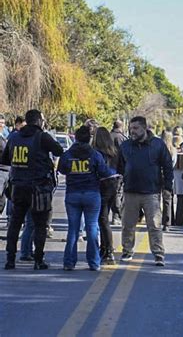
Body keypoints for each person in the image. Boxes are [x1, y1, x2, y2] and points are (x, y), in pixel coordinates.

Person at [2, 109, 63, 270]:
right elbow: (59, 150)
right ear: (38, 121)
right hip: (38, 187)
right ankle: (38, 259)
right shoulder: (42, 136)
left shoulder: (14, 137)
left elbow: (5, 159)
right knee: (40, 224)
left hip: (18, 186)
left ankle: (10, 259)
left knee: (15, 224)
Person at [118, 116, 173, 266]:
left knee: (154, 225)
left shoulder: (157, 145)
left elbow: (167, 166)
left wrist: (168, 187)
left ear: (144, 128)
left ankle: (158, 254)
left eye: (135, 128)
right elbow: (119, 167)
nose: (132, 131)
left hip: (151, 192)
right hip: (130, 192)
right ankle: (127, 251)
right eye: (130, 128)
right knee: (128, 224)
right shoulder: (125, 146)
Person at [58, 126, 113, 271]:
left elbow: (62, 169)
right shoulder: (94, 155)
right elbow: (103, 171)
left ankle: (69, 262)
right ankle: (94, 262)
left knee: (73, 230)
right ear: (89, 138)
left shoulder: (68, 154)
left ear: (75, 138)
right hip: (91, 194)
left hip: (73, 194)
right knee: (92, 228)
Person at [93, 127, 121, 265]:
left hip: (102, 184)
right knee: (104, 218)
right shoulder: (114, 152)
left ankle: (108, 251)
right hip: (113, 184)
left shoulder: (97, 153)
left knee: (102, 219)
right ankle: (104, 249)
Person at [161, 130, 177, 232]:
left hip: (158, 175)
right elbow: (174, 163)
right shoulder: (173, 150)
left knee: (155, 199)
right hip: (169, 176)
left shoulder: (159, 149)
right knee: (167, 200)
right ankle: (167, 223)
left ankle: (156, 220)